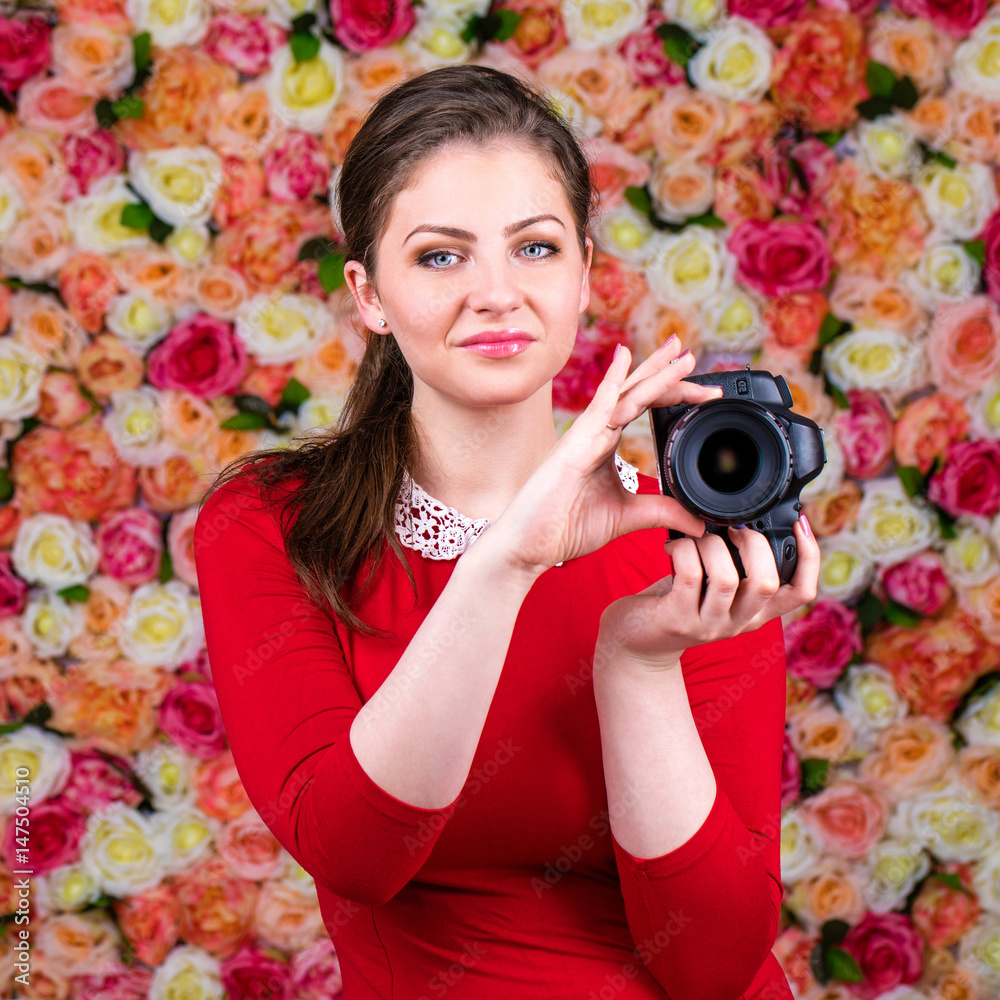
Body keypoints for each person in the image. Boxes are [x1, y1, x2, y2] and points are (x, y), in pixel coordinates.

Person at [193, 63, 820, 1000]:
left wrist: (639, 665)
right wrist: (508, 560)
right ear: (369, 294)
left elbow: (714, 966)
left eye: (534, 248)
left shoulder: (692, 540)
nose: (497, 293)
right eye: (440, 257)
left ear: (583, 275)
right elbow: (356, 851)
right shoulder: (272, 522)